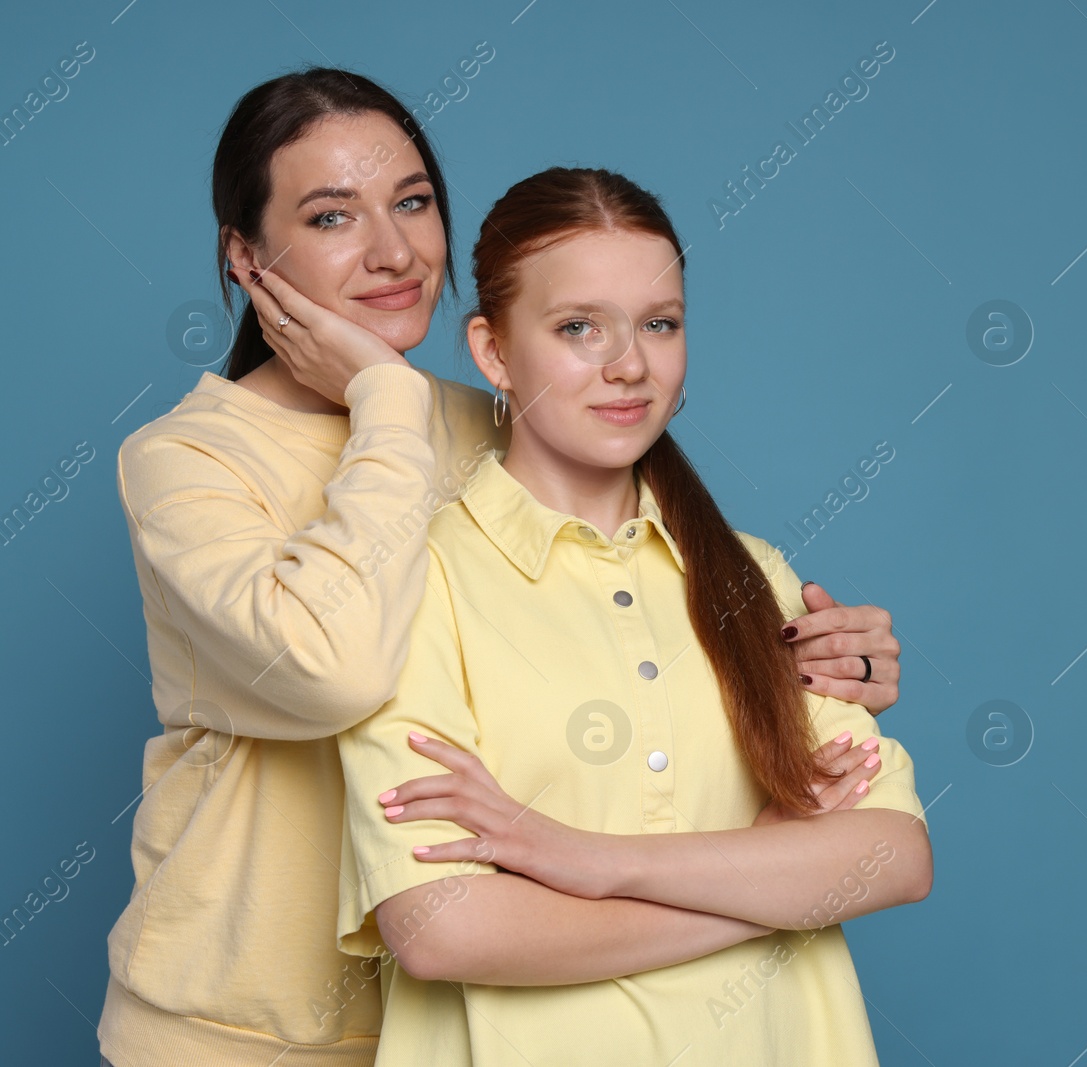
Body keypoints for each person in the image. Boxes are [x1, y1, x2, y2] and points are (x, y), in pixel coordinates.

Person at [98, 68, 903, 1067]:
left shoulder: (516, 411)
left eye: (414, 202)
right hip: (247, 1026)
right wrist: (386, 397)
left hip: (495, 1009)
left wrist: (820, 656)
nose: (393, 250)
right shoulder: (187, 461)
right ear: (243, 255)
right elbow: (335, 668)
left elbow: (655, 626)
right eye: (331, 214)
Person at [335, 166, 933, 1067]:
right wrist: (762, 882)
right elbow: (442, 928)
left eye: (660, 324)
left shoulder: (754, 573)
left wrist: (587, 858)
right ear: (493, 352)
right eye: (579, 327)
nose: (630, 365)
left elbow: (890, 855)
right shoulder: (415, 583)